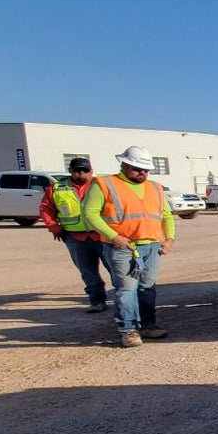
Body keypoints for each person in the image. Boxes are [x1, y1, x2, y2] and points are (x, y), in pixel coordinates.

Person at [84, 146, 175, 348]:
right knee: (127, 289)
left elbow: (166, 215)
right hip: (122, 247)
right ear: (124, 165)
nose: (142, 173)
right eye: (137, 169)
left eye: (145, 170)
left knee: (147, 288)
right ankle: (129, 329)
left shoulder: (155, 187)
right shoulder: (105, 184)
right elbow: (90, 214)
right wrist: (113, 236)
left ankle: (148, 325)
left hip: (151, 246)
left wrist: (169, 239)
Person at [38, 157, 110, 313]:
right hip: (75, 237)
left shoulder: (101, 185)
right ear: (71, 171)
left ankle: (126, 302)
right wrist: (55, 228)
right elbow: (45, 210)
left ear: (91, 170)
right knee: (87, 271)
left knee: (116, 269)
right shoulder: (58, 189)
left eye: (85, 170)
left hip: (103, 236)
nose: (82, 174)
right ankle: (97, 301)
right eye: (78, 170)